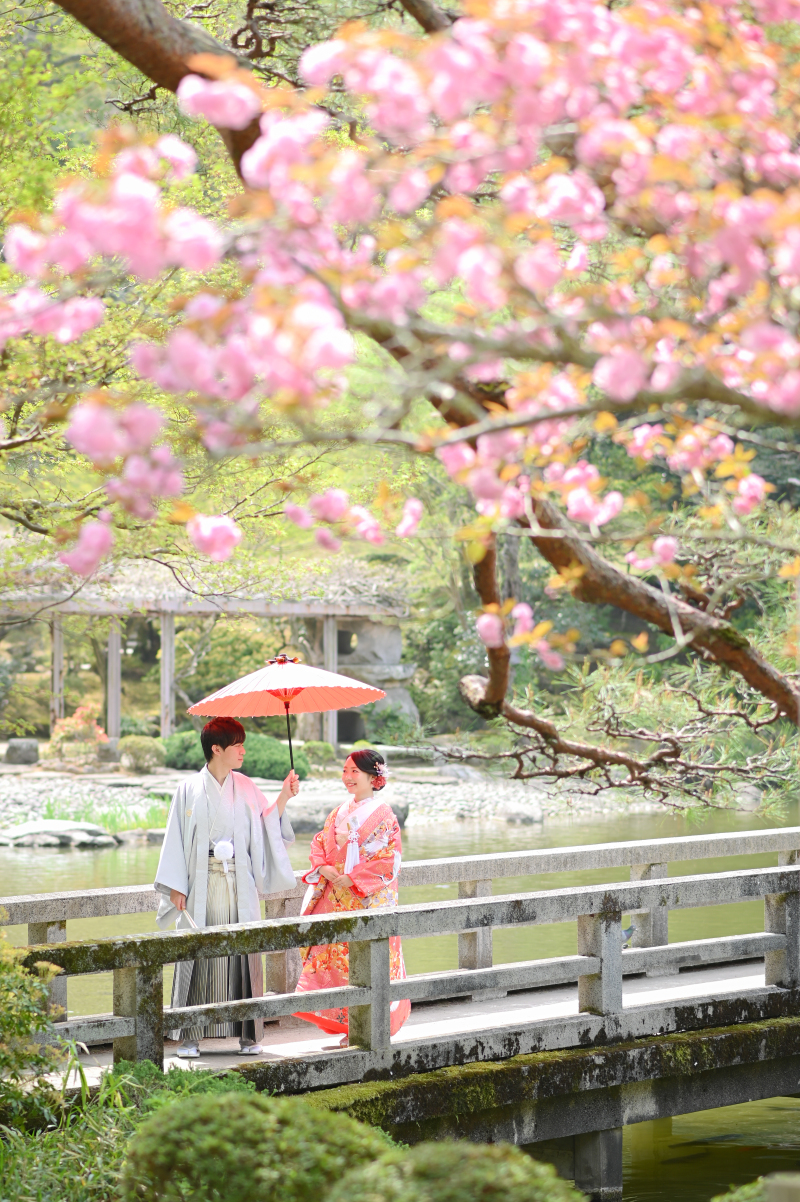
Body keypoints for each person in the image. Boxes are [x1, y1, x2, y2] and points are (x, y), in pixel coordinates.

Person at [154, 716, 299, 1059]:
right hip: (201, 882)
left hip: (238, 884)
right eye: (237, 745)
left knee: (242, 957)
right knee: (199, 957)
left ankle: (247, 1037)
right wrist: (176, 886)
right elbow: (174, 838)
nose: (243, 750)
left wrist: (283, 796)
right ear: (216, 749)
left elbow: (266, 827)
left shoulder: (246, 786)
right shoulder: (188, 789)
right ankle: (191, 1038)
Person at [293, 748, 410, 1044]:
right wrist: (323, 867)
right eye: (345, 770)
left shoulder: (384, 815)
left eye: (354, 771)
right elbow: (320, 842)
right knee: (334, 964)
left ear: (374, 777)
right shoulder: (339, 811)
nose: (347, 777)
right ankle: (346, 1027)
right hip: (335, 900)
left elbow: (389, 858)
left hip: (363, 900)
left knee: (364, 964)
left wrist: (354, 878)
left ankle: (366, 1026)